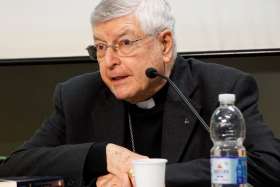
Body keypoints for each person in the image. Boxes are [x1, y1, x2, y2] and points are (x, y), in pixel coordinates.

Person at [1, 0, 280, 186]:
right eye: (100, 47)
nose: (109, 61)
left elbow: (267, 166)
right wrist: (102, 156)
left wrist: (145, 177)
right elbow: (14, 166)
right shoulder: (78, 95)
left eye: (124, 43)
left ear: (165, 44)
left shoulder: (221, 87)